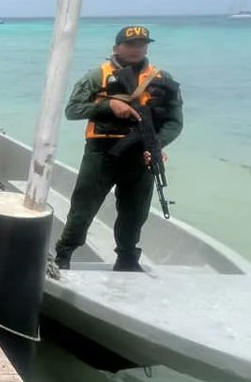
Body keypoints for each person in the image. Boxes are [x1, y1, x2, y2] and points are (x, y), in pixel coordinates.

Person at [53, 25, 184, 272]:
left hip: (140, 155)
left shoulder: (163, 80)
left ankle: (127, 258)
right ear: (116, 48)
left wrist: (157, 144)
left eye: (142, 44)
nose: (136, 49)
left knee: (135, 213)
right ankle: (64, 253)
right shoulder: (96, 76)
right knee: (83, 207)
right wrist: (108, 105)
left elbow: (175, 123)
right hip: (101, 153)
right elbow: (72, 110)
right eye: (130, 44)